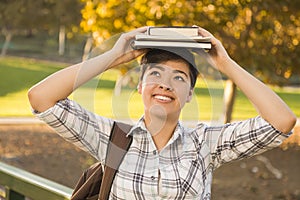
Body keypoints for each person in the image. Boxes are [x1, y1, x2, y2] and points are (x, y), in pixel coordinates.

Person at [28, 26, 296, 199]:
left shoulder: (204, 144)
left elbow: (281, 121)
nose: (165, 84)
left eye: (179, 78)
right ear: (141, 85)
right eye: (155, 73)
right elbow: (41, 98)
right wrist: (114, 57)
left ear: (189, 93)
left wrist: (226, 64)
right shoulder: (111, 138)